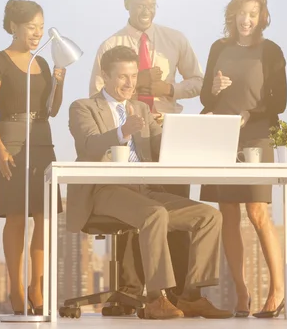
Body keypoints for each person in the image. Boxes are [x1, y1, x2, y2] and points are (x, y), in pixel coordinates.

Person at [68, 46, 232, 319]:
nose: (130, 83)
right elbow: (88, 146)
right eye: (122, 77)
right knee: (155, 214)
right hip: (105, 190)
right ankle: (157, 299)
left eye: (133, 76)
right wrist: (123, 131)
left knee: (208, 215)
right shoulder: (83, 107)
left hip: (143, 189)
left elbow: (161, 146)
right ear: (105, 76)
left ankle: (191, 296)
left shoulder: (142, 109)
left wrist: (202, 127)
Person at [89, 0, 203, 309]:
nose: (147, 10)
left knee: (176, 210)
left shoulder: (175, 39)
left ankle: (181, 292)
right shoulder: (112, 45)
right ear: (127, 4)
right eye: (140, 4)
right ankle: (130, 290)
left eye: (152, 4)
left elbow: (198, 82)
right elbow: (97, 94)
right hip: (128, 136)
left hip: (168, 133)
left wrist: (166, 88)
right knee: (134, 210)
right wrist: (136, 85)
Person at [199, 0, 287, 318]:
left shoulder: (271, 51)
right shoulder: (218, 47)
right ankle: (241, 292)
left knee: (257, 212)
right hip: (221, 134)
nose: (246, 20)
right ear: (232, 14)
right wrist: (214, 89)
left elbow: (280, 101)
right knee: (228, 214)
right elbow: (207, 99)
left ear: (262, 17)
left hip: (256, 134)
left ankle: (277, 291)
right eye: (242, 13)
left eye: (253, 14)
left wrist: (251, 115)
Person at [0, 0, 65, 315]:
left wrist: (60, 82)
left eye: (41, 27)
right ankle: (16, 289)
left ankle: (36, 287)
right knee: (17, 217)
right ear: (14, 27)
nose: (37, 33)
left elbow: (52, 110)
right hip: (12, 143)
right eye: (32, 27)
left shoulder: (42, 63)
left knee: (44, 218)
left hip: (43, 142)